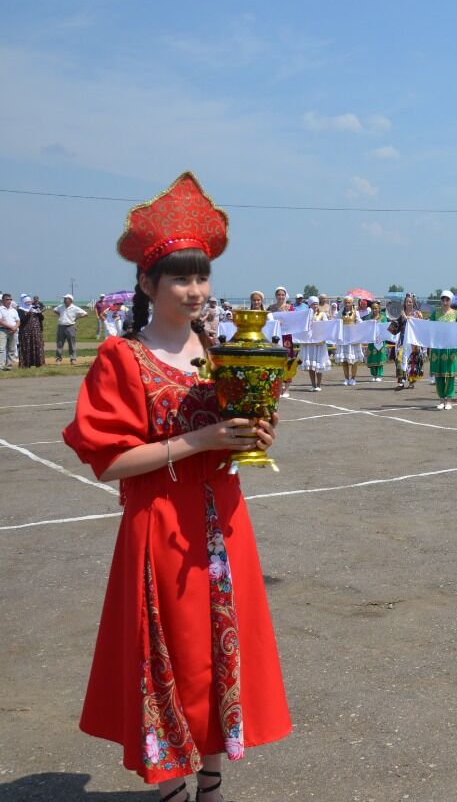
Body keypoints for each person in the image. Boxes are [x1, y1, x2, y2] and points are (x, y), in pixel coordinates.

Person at [61, 172, 290, 802]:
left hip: (224, 525)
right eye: (182, 279)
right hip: (159, 525)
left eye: (203, 277)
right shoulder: (121, 359)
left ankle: (211, 784)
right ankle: (169, 785)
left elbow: (238, 434)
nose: (196, 291)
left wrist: (252, 440)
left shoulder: (222, 352)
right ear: (147, 284)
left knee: (220, 656)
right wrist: (201, 441)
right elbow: (108, 462)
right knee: (171, 657)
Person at [428, 291, 457, 410]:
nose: (445, 302)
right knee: (439, 375)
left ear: (451, 301)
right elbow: (430, 328)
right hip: (438, 348)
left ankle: (449, 400)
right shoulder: (435, 314)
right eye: (443, 299)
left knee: (450, 375)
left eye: (447, 299)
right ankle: (441, 399)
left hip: (451, 348)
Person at [54, 294, 89, 363]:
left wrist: (77, 318)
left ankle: (73, 359)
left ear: (70, 300)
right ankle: (58, 358)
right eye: (64, 299)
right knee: (59, 343)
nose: (64, 300)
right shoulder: (61, 307)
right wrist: (60, 315)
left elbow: (85, 313)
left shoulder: (75, 308)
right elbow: (55, 310)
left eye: (66, 299)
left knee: (71, 343)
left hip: (70, 326)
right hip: (61, 326)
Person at [18, 295, 46, 367]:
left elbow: (41, 318)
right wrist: (28, 313)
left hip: (36, 331)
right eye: (27, 301)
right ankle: (27, 363)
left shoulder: (35, 308)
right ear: (23, 302)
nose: (29, 303)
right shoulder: (20, 310)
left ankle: (38, 363)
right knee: (27, 347)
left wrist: (38, 312)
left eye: (30, 301)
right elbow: (22, 320)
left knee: (37, 346)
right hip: (25, 332)